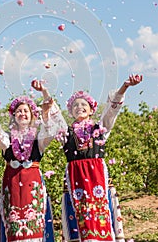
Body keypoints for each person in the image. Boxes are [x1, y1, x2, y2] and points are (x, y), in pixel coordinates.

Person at [34, 74, 143, 242]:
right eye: (75, 105)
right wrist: (44, 91)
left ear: (92, 110)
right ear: (70, 111)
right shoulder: (66, 133)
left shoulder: (100, 129)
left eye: (84, 104)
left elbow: (112, 110)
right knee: (79, 219)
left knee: (101, 215)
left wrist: (125, 86)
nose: (79, 107)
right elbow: (54, 113)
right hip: (75, 178)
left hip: (96, 178)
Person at [0, 81, 56, 242]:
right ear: (13, 116)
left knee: (34, 226)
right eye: (19, 111)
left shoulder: (37, 138)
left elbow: (50, 130)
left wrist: (45, 100)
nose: (22, 114)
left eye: (26, 111)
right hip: (12, 186)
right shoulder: (8, 136)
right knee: (13, 226)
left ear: (32, 115)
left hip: (32, 187)